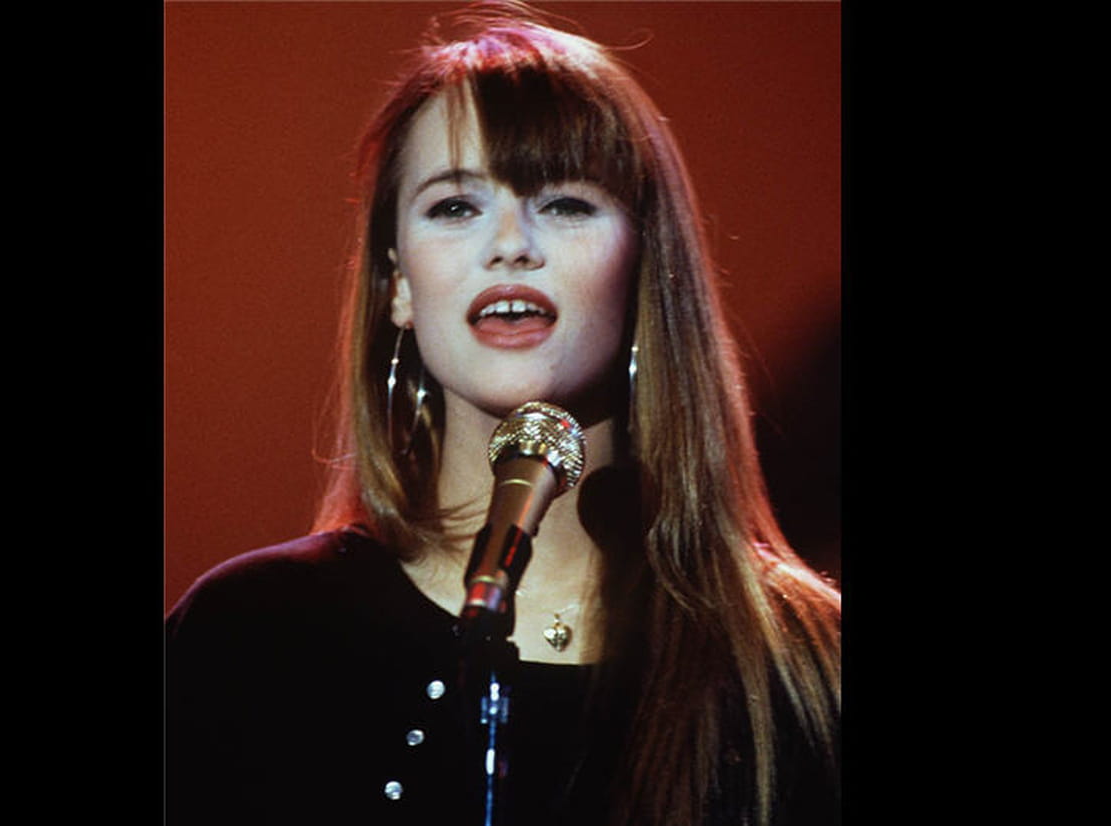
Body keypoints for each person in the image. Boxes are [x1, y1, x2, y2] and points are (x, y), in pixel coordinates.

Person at [165, 3, 841, 824]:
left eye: (565, 203)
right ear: (398, 286)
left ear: (643, 266)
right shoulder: (253, 635)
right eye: (455, 207)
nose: (511, 243)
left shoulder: (802, 672)